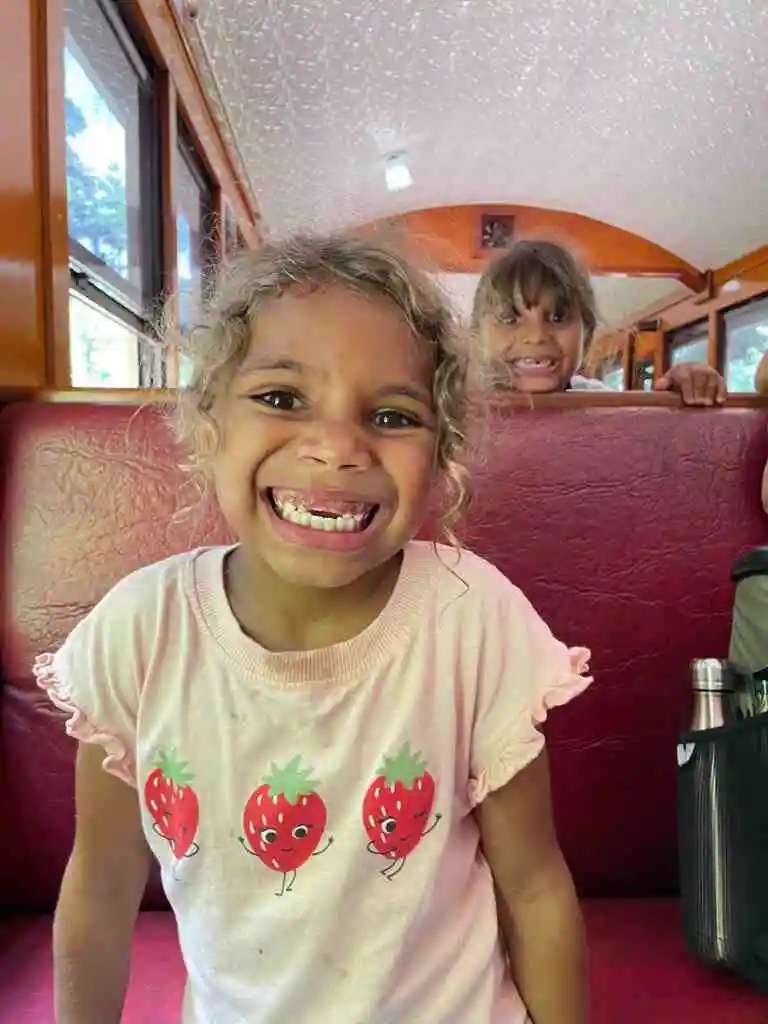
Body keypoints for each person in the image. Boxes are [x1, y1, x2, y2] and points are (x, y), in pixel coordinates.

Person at [35, 233, 592, 1024]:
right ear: (209, 421)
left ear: (442, 458)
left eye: (392, 415)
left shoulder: (475, 617)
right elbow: (99, 886)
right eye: (282, 398)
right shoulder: (138, 629)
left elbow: (534, 887)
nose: (335, 449)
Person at [472, 238, 727, 405]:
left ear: (588, 333)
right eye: (509, 318)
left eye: (558, 317)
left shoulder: (603, 405)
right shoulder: (456, 411)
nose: (537, 336)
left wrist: (678, 394)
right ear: (475, 338)